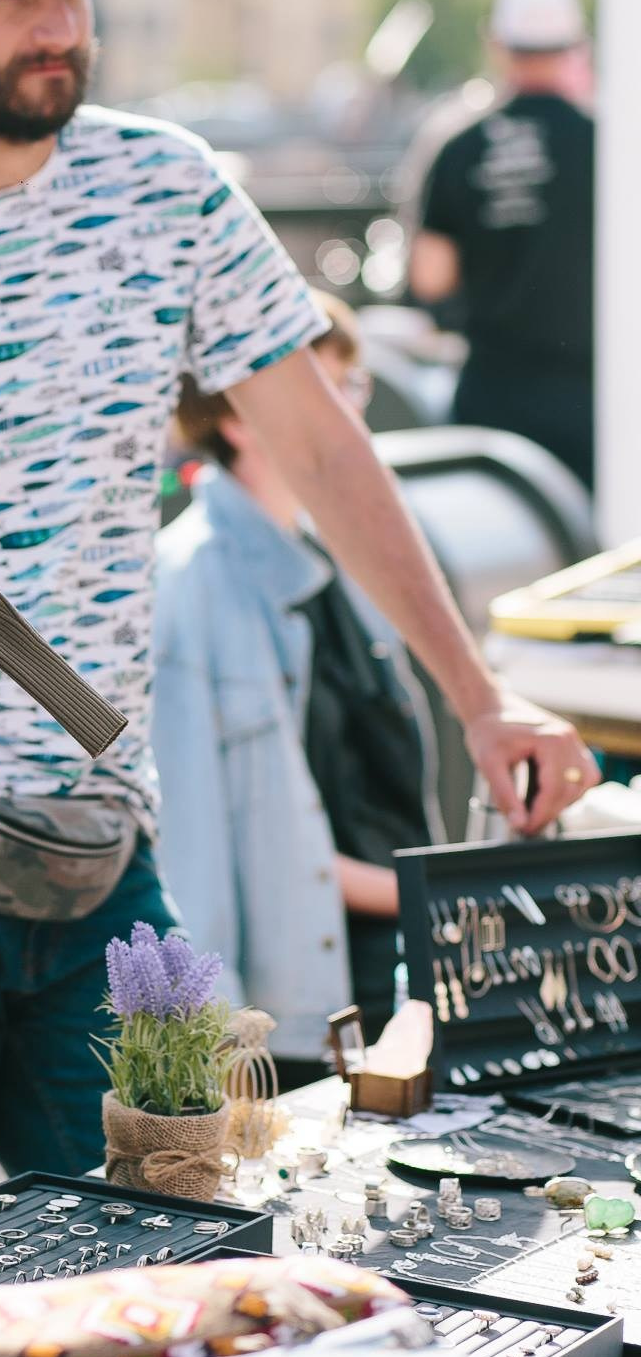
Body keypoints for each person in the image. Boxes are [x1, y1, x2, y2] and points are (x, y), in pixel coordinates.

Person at [0, 0, 597, 1211]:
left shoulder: (167, 189)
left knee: (191, 1241)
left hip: (105, 867)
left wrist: (483, 696)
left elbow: (324, 446)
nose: (57, 25)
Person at [153, 295, 442, 1071]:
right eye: (328, 391)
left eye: (355, 390)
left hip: (388, 972)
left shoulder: (343, 558)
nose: (350, 418)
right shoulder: (190, 583)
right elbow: (202, 853)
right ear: (242, 413)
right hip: (296, 1015)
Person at [409, 0, 596, 489]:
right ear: (576, 46)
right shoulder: (611, 142)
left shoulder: (459, 145)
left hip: (492, 393)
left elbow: (430, 275)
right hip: (594, 397)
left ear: (497, 45)